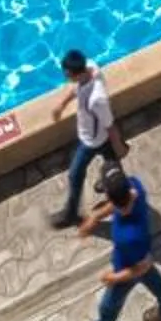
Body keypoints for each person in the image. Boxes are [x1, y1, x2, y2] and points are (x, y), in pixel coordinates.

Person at [65, 168, 161, 321]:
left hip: (128, 268)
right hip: (139, 253)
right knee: (156, 282)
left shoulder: (128, 235)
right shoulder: (136, 187)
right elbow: (117, 204)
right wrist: (95, 217)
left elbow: (141, 266)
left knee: (107, 311)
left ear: (111, 197)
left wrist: (114, 277)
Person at [49, 49, 121, 228]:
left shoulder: (97, 99)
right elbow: (76, 88)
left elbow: (110, 124)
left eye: (68, 75)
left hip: (94, 141)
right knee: (112, 166)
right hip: (90, 135)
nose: (67, 78)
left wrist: (119, 145)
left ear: (78, 73)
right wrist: (62, 104)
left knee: (75, 175)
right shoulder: (88, 67)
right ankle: (114, 187)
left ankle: (71, 214)